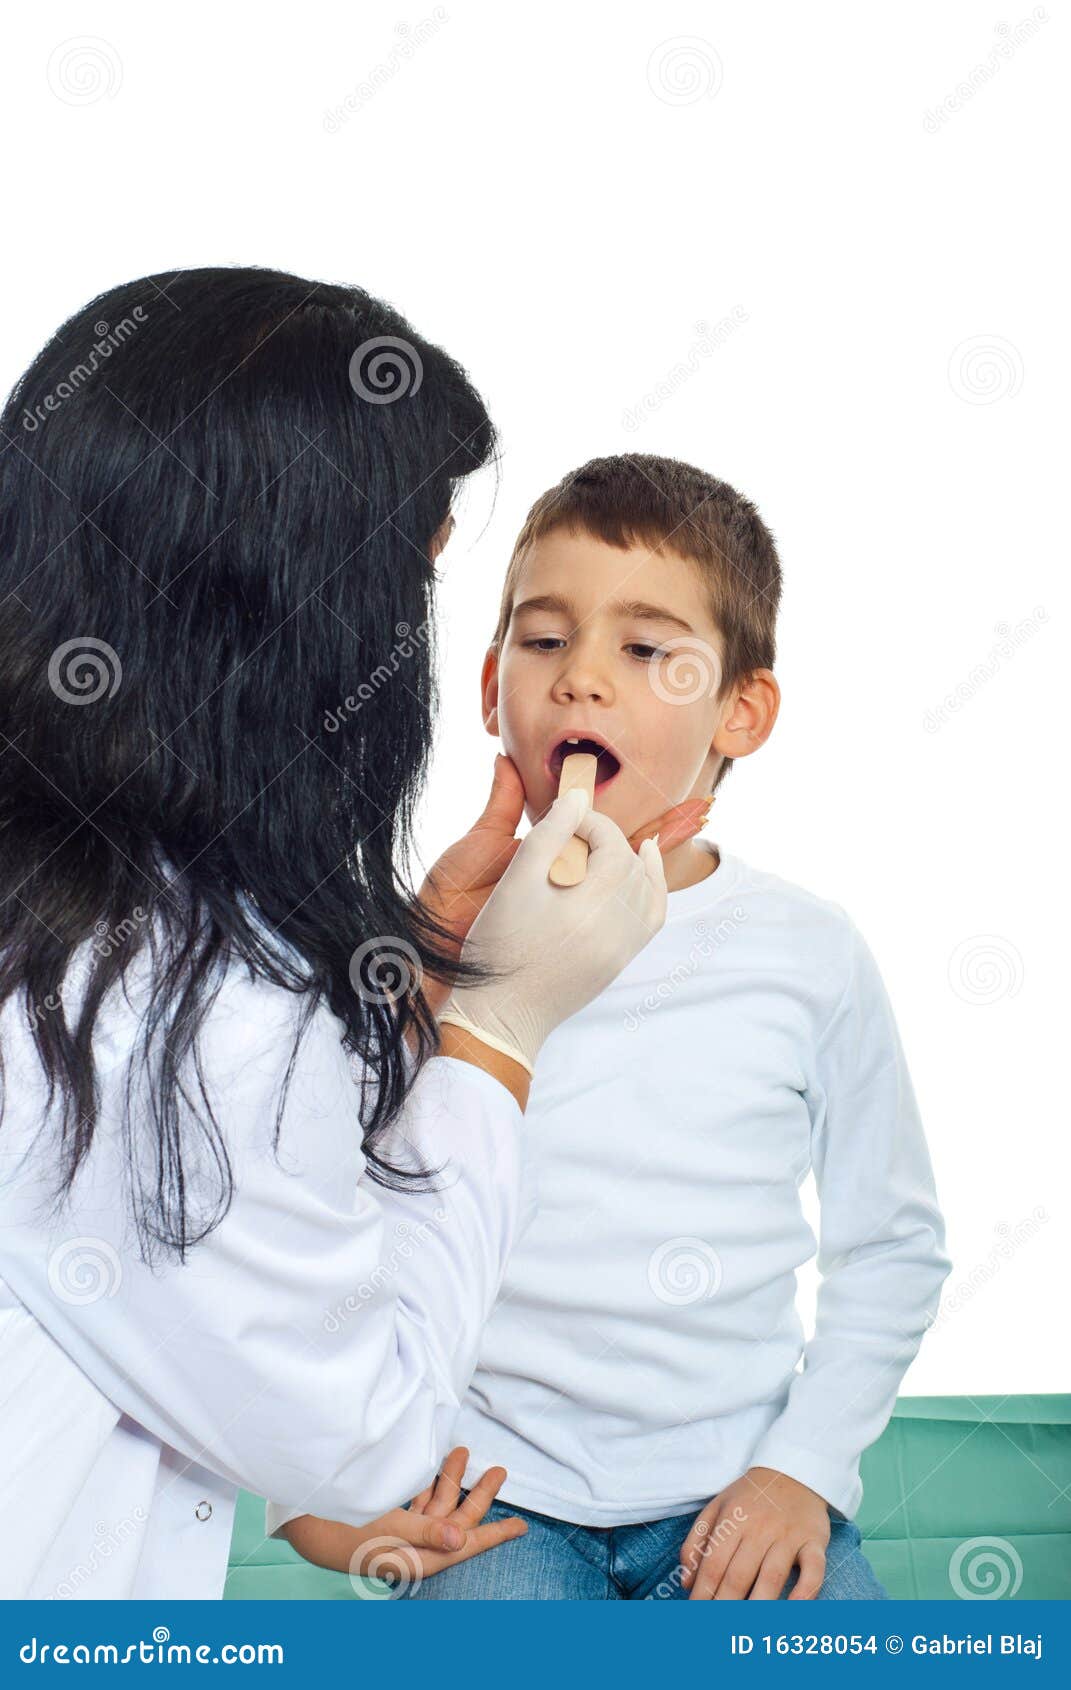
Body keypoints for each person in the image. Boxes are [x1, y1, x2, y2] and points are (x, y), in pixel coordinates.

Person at [0, 275, 702, 1600]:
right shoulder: (172, 998)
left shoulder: (109, 919)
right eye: (409, 580)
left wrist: (416, 970)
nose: (573, 680)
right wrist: (497, 1032)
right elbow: (357, 1433)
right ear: (284, 610)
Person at [270, 453, 954, 1600]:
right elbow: (303, 1215)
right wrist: (316, 1494)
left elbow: (892, 1246)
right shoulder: (414, 944)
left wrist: (806, 1469)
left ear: (743, 710)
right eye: (543, 641)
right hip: (491, 1497)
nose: (581, 678)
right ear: (492, 687)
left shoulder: (807, 951)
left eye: (645, 650)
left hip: (736, 1489)